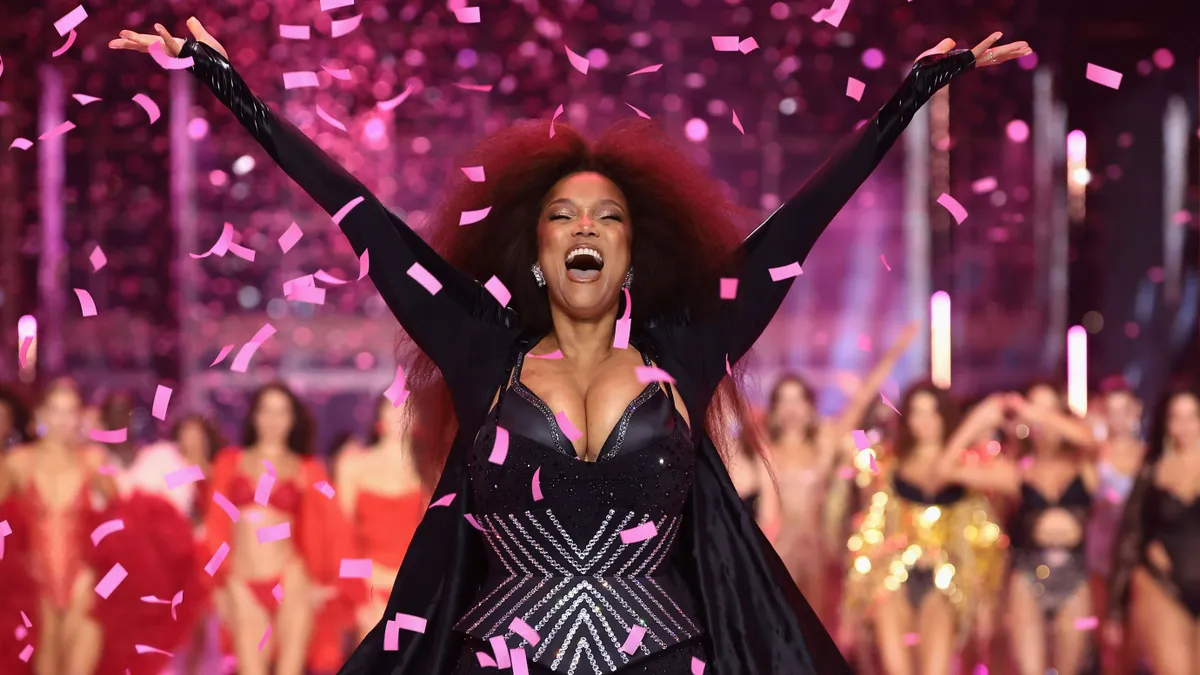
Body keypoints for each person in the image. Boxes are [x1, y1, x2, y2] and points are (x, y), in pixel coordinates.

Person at [111, 18, 1028, 674]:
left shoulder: (688, 345)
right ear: (541, 252)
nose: (585, 226)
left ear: (632, 248)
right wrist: (231, 87)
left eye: (607, 217)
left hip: (670, 657)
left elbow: (800, 225)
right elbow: (365, 220)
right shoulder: (481, 347)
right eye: (563, 215)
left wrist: (913, 95)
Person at [842, 383, 1010, 675]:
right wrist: (853, 601)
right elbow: (869, 529)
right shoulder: (887, 462)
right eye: (917, 413)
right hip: (891, 579)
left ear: (945, 416)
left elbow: (986, 536)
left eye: (933, 412)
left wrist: (984, 599)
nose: (926, 421)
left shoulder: (968, 464)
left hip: (946, 583)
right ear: (906, 418)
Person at [770, 324, 917, 627]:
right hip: (777, 552)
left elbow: (862, 400)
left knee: (816, 631)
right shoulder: (764, 450)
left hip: (818, 553)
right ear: (773, 409)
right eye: (784, 400)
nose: (791, 408)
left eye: (798, 399)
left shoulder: (823, 443)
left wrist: (895, 352)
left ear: (811, 408)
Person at [201, 382, 353, 675]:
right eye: (266, 411)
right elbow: (215, 526)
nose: (273, 420)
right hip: (241, 582)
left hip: (291, 580)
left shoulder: (306, 469)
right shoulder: (229, 463)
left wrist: (330, 582)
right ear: (255, 416)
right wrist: (217, 585)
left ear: (292, 420)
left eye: (281, 413)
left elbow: (335, 527)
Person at [1107, 383, 1200, 675]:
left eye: (1192, 416)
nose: (1184, 426)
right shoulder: (1151, 471)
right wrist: (1115, 608)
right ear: (1167, 422)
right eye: (1176, 417)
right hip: (1162, 584)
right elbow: (1130, 536)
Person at [336, 395, 429, 639]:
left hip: (414, 586)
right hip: (368, 587)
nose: (398, 417)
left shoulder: (430, 470)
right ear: (379, 417)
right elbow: (340, 536)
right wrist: (360, 594)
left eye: (405, 410)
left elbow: (437, 536)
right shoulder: (352, 465)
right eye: (391, 410)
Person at [1086, 378, 1145, 673]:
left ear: (1137, 410)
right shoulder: (1095, 454)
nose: (1118, 418)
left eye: (1125, 410)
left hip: (1137, 558)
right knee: (1108, 639)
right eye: (1111, 410)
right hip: (1101, 554)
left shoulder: (1148, 455)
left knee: (1137, 635)